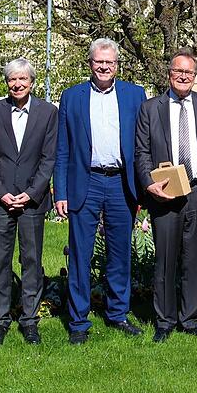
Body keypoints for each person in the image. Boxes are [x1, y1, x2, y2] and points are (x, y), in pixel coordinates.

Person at [54, 38, 147, 344]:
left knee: (120, 253)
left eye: (110, 62)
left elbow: (143, 144)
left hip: (122, 183)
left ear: (117, 65)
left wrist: (145, 186)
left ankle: (118, 314)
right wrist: (61, 192)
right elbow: (63, 149)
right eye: (99, 62)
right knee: (80, 254)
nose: (104, 67)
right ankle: (79, 321)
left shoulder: (135, 95)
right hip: (87, 182)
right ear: (90, 64)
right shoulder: (72, 97)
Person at [135, 50, 197, 342]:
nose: (183, 77)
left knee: (194, 259)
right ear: (169, 73)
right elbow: (142, 152)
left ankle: (191, 318)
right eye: (178, 71)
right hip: (166, 193)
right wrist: (149, 184)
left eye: (189, 72)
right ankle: (164, 320)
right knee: (165, 260)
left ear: (195, 75)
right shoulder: (151, 108)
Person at [0, 58, 58, 346]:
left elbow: (49, 157)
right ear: (7, 82)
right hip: (1, 202)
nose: (18, 84)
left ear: (32, 82)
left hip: (32, 202)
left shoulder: (48, 113)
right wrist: (0, 192)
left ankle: (29, 321)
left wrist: (33, 191)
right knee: (0, 263)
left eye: (23, 79)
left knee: (32, 261)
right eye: (13, 79)